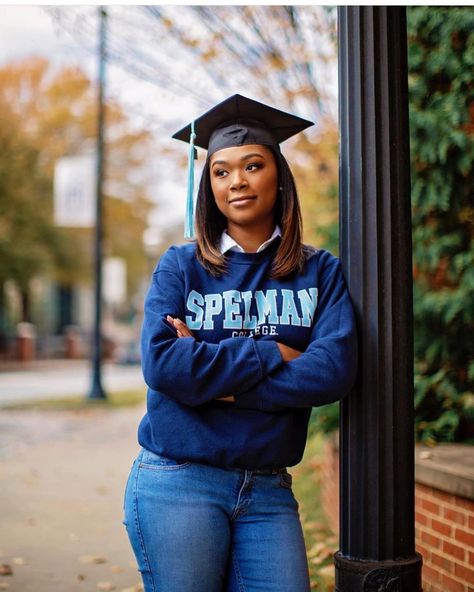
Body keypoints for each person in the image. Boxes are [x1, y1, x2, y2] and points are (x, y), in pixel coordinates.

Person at [123, 94, 358, 592]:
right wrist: (271, 352)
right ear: (208, 186)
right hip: (180, 481)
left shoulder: (320, 271)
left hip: (269, 487)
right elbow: (165, 366)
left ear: (279, 176)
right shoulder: (181, 266)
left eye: (253, 166)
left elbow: (332, 371)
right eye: (221, 172)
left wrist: (213, 380)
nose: (238, 182)